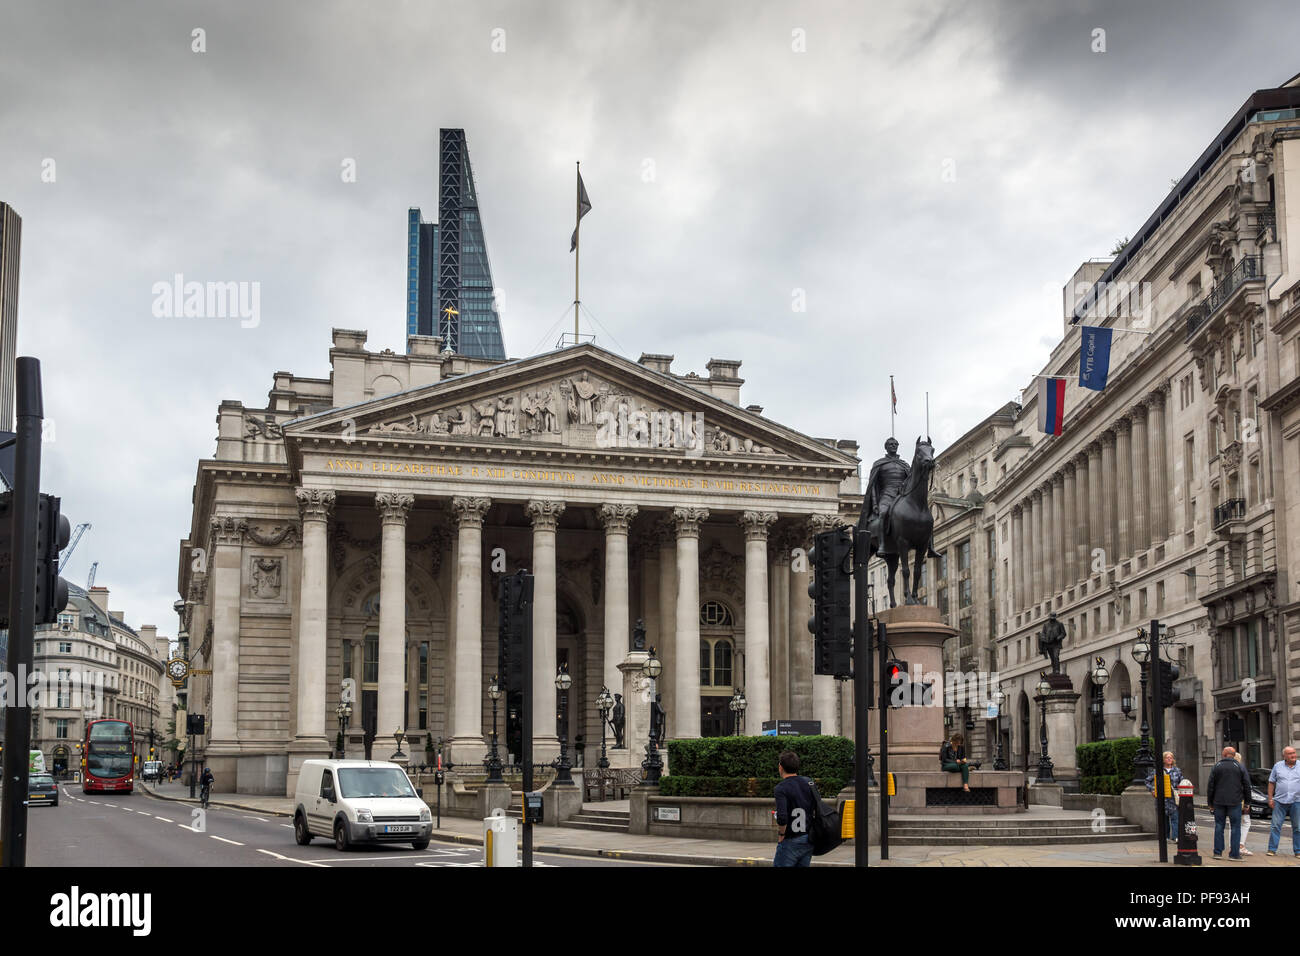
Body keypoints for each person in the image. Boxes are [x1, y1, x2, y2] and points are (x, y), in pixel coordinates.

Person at [772, 751, 819, 868]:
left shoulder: (781, 788)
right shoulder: (809, 783)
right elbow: (817, 807)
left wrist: (781, 835)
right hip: (808, 838)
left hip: (790, 839)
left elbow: (782, 818)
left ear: (780, 767)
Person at [1206, 746, 1251, 860]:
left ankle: (1217, 853)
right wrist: (1247, 802)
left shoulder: (1217, 766)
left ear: (1224, 754)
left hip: (1218, 801)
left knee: (1219, 826)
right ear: (1234, 754)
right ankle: (1234, 854)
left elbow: (1210, 786)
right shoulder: (1240, 767)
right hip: (1235, 801)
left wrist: (1210, 802)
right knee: (1236, 827)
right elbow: (1247, 785)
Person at [1266, 745, 1300, 857]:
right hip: (1280, 801)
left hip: (1297, 801)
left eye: (1294, 753)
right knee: (1275, 826)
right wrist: (1270, 798)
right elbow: (1271, 782)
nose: (1293, 755)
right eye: (1290, 754)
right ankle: (1272, 849)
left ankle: (1298, 851)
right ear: (1284, 756)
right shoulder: (1277, 766)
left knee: (1298, 828)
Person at [1145, 751, 1184, 842]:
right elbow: (1147, 781)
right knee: (1164, 820)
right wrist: (1152, 790)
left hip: (1173, 799)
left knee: (1175, 818)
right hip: (1162, 799)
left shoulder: (1177, 771)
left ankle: (1175, 837)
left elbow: (1181, 782)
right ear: (1163, 760)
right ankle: (1165, 837)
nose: (1169, 759)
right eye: (1167, 757)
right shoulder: (1158, 771)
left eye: (1171, 757)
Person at [1233, 752, 1254, 854]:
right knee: (1246, 822)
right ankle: (1240, 845)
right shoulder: (1241, 769)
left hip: (1227, 800)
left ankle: (1233, 846)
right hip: (1240, 800)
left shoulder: (1222, 768)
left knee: (1233, 823)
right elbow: (1246, 786)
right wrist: (1248, 802)